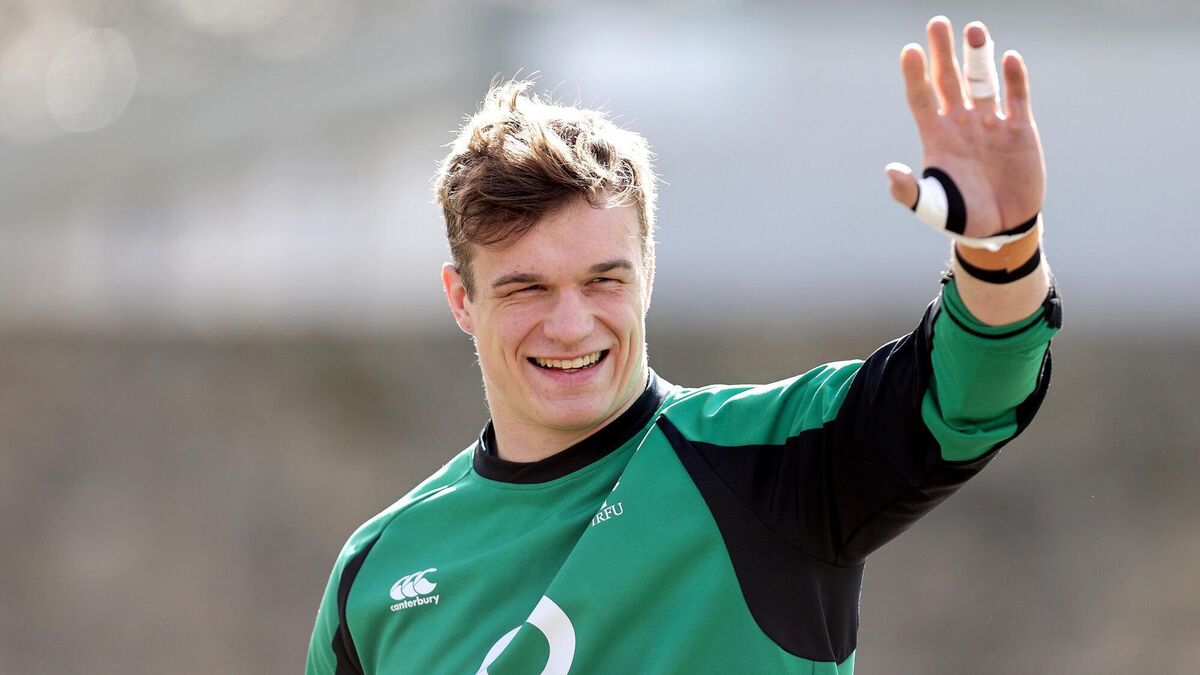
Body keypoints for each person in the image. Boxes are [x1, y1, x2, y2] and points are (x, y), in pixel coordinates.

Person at [306, 16, 1060, 674]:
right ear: (461, 300)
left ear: (648, 276)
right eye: (526, 289)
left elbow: (971, 387)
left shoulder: (767, 463)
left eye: (603, 280)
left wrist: (1002, 249)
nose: (570, 325)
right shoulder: (376, 574)